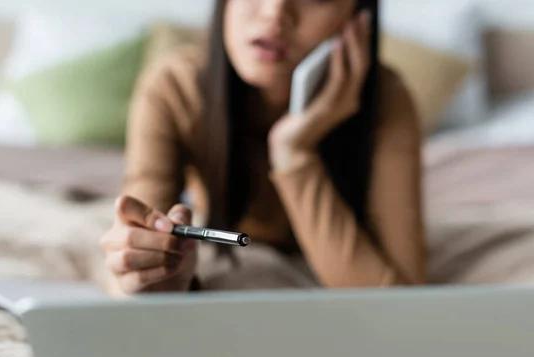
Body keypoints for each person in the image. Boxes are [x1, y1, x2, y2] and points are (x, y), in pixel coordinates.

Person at [100, 0, 426, 295]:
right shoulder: (173, 89)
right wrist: (153, 269)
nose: (275, 11)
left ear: (358, 20)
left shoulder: (387, 100)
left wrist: (293, 153)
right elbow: (135, 270)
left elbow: (398, 301)